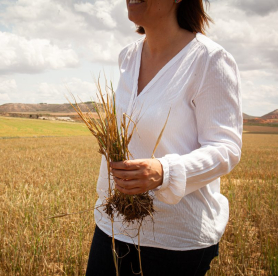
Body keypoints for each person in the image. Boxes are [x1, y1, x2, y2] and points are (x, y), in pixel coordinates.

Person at [86, 0, 242, 275]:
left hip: (175, 241)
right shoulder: (128, 57)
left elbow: (226, 148)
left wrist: (164, 171)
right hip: (113, 226)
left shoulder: (209, 60)